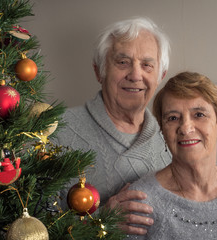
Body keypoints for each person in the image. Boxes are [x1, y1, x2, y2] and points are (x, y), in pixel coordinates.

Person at [53, 16, 171, 234]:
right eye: (123, 62)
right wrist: (103, 221)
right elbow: (29, 226)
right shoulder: (57, 132)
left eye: (147, 65)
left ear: (160, 76)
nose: (136, 75)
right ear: (99, 71)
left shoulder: (172, 139)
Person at [127, 71, 217, 239]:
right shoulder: (139, 204)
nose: (186, 128)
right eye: (173, 118)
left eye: (199, 115)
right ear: (162, 129)